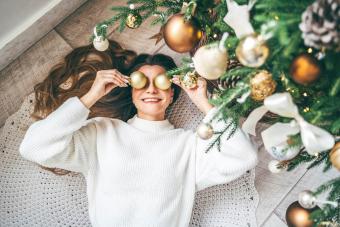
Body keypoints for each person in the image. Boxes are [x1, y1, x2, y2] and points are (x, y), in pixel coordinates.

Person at [19, 45, 258, 226]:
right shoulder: (103, 132)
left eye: (161, 83)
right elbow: (34, 147)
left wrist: (203, 103)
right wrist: (90, 97)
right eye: (142, 82)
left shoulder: (189, 145)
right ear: (131, 90)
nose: (151, 89)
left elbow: (244, 156)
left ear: (172, 95)